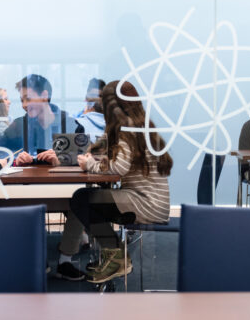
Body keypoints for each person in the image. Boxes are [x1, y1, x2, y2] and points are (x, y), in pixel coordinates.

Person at [54, 80, 173, 284]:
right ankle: (85, 257)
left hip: (144, 204)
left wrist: (89, 165)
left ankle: (116, 255)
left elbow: (119, 168)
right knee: (84, 200)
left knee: (82, 200)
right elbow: (115, 157)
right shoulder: (139, 126)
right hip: (153, 202)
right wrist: (93, 157)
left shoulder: (128, 130)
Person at [0, 74, 82, 165]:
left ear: (44, 96)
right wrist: (15, 160)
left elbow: (82, 162)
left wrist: (61, 161)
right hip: (27, 178)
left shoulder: (71, 125)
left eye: (28, 99)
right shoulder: (18, 125)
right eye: (22, 100)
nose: (24, 105)